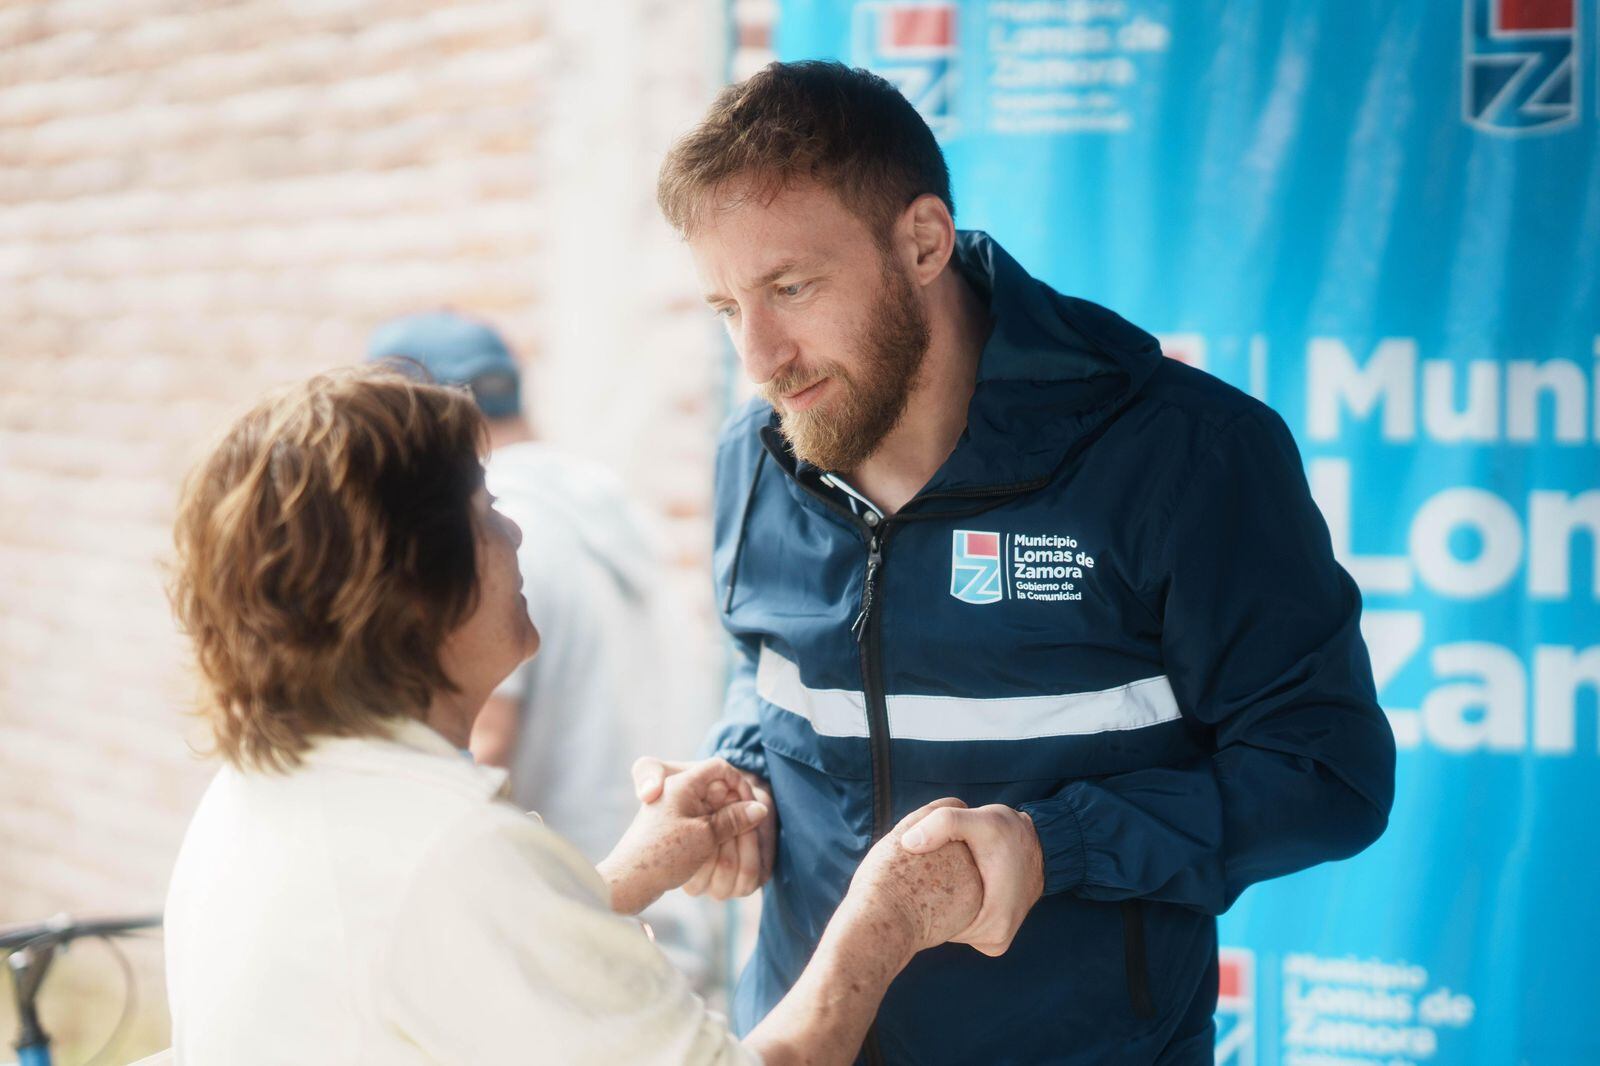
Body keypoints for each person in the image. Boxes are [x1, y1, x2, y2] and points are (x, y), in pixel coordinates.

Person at [634, 60, 1399, 1064]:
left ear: (921, 242)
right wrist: (739, 774)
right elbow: (772, 674)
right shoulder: (757, 450)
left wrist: (1053, 846)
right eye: (726, 306)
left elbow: (1325, 770)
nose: (760, 354)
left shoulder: (1184, 454)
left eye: (790, 286)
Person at [162, 366, 983, 1064]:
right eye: (484, 511)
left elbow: (442, 959)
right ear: (409, 585)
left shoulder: (255, 793)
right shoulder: (453, 853)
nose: (515, 529)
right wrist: (885, 918)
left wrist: (624, 876)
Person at [366, 311, 719, 987]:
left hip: (571, 935)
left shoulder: (486, 530)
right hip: (670, 916)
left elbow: (481, 744)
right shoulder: (607, 505)